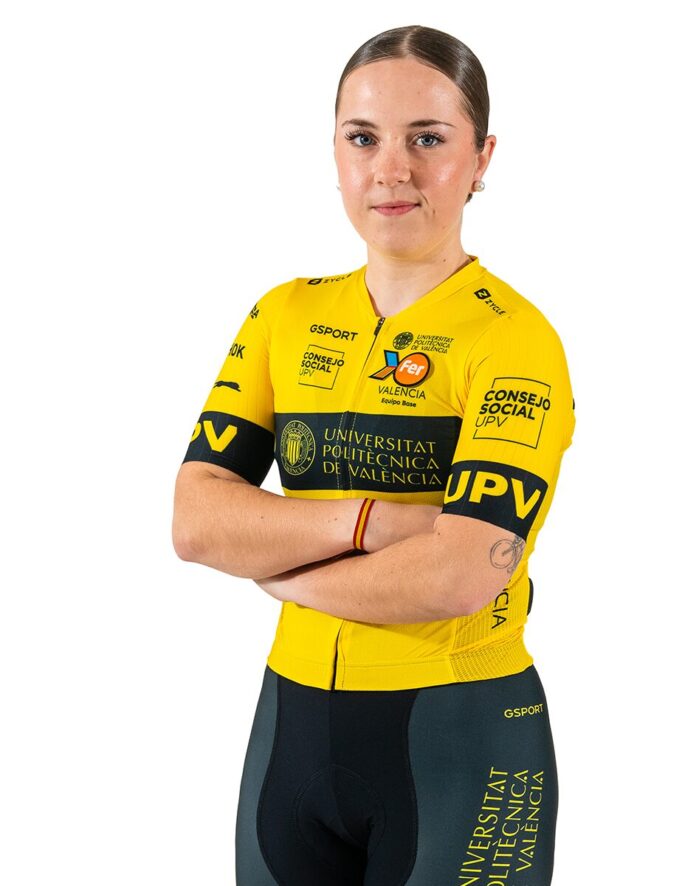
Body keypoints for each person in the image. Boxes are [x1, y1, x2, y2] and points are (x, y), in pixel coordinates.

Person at [173, 24, 575, 886]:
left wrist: (284, 574)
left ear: (481, 158)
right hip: (289, 730)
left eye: (426, 139)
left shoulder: (514, 341)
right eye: (363, 138)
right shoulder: (283, 316)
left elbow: (460, 575)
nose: (391, 169)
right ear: (335, 153)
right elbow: (197, 520)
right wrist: (375, 522)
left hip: (460, 734)